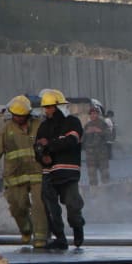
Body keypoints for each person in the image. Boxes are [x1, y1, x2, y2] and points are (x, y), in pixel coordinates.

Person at [0, 95, 48, 248]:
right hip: (15, 175)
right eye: (15, 115)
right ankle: (26, 229)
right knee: (17, 206)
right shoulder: (7, 129)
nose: (17, 118)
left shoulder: (39, 126)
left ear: (27, 114)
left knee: (40, 205)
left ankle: (41, 238)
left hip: (37, 172)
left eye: (20, 116)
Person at [34, 89, 85, 250]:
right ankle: (60, 238)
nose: (47, 111)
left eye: (50, 107)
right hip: (49, 174)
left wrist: (49, 144)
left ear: (59, 106)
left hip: (68, 172)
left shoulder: (72, 122)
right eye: (46, 108)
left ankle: (77, 228)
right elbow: (37, 147)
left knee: (72, 205)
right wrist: (42, 156)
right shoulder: (43, 126)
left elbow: (71, 141)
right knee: (51, 209)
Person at [82, 106, 111, 186]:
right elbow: (82, 140)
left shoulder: (103, 124)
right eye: (91, 114)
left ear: (98, 114)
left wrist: (99, 131)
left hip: (102, 155)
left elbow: (109, 136)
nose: (93, 115)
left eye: (95, 114)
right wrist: (86, 133)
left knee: (105, 176)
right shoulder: (87, 125)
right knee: (92, 177)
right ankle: (94, 195)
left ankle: (107, 193)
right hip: (91, 156)